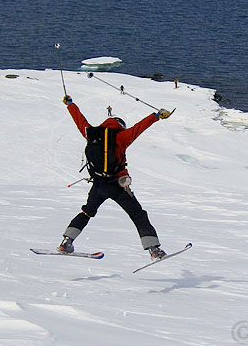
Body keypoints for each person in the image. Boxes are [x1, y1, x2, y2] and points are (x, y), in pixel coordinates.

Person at [59, 94, 172, 260]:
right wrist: (157, 115)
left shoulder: (90, 134)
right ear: (120, 126)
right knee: (138, 215)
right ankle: (154, 250)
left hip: (98, 185)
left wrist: (70, 103)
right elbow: (139, 128)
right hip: (117, 186)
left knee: (87, 212)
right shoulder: (122, 137)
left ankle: (66, 241)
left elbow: (79, 119)